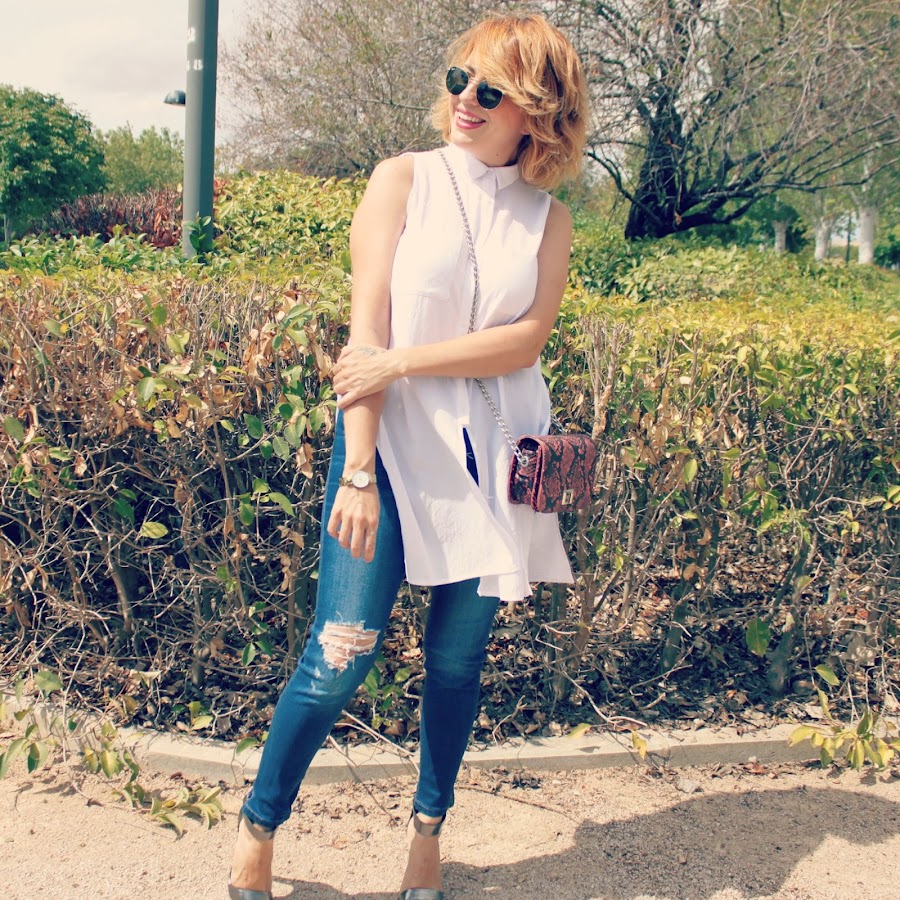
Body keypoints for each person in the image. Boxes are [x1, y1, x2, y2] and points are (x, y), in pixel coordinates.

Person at [227, 12, 588, 900]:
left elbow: (525, 341)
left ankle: (428, 833)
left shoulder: (548, 221)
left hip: (491, 467)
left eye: (491, 90)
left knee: (456, 666)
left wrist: (403, 362)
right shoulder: (403, 179)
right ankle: (259, 824)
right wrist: (357, 470)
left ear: (537, 113)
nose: (466, 98)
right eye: (460, 77)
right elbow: (367, 334)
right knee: (338, 654)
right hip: (386, 454)